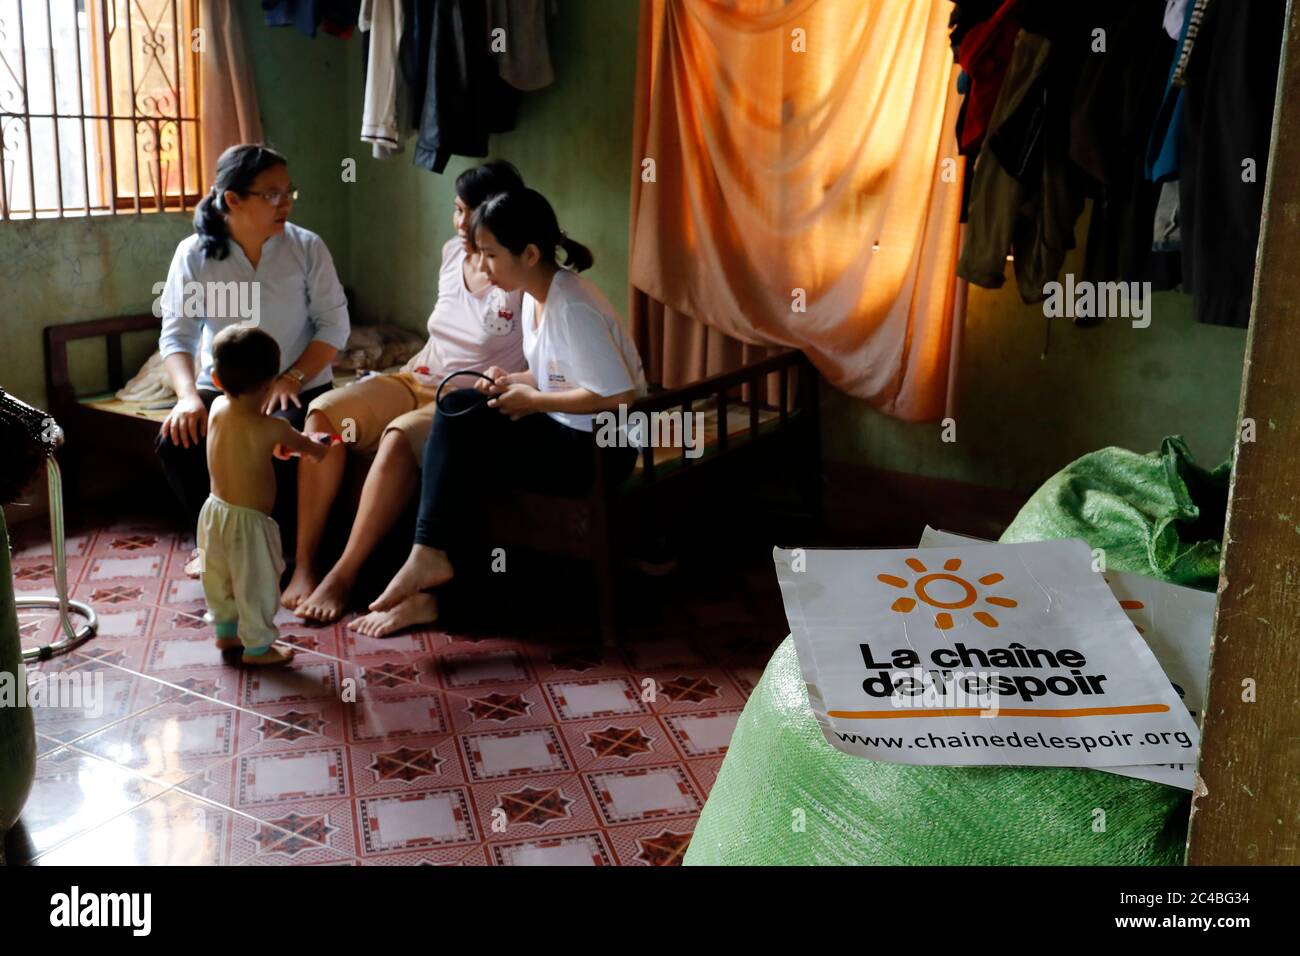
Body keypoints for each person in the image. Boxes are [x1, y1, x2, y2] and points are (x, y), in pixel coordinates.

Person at [357, 188, 647, 636]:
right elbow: (559, 373)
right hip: (567, 431)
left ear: (529, 253)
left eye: (491, 254)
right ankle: (432, 580)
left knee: (458, 419)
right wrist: (517, 383)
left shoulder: (572, 305)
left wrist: (534, 402)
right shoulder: (535, 293)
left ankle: (430, 563)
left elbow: (618, 396)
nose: (483, 266)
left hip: (599, 449)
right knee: (458, 433)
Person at [282, 161, 528, 625]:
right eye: (457, 210)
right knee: (323, 416)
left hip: (463, 399)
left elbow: (545, 354)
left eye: (470, 213)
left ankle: (342, 575)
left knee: (397, 437)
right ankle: (306, 564)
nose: (460, 223)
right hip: (417, 376)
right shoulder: (451, 255)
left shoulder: (516, 272)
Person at [156, 144, 350, 575]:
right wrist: (188, 396)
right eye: (271, 194)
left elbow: (333, 327)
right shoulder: (194, 255)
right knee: (178, 439)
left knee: (287, 439)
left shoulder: (306, 248)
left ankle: (282, 546)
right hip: (225, 384)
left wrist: (294, 377)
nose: (285, 203)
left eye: (288, 192)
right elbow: (178, 335)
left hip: (299, 381)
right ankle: (212, 541)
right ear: (233, 200)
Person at [197, 325, 329, 667]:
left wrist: (273, 450)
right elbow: (312, 451)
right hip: (250, 525)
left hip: (214, 513)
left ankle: (226, 632)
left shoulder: (217, 411)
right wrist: (316, 446)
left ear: (217, 380)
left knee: (220, 577)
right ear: (272, 382)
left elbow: (243, 449)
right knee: (256, 585)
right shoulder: (275, 428)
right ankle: (258, 648)